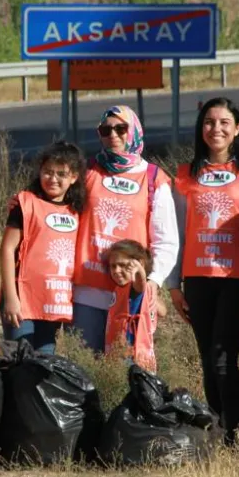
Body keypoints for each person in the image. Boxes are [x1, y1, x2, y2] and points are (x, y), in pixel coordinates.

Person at [166, 96, 239, 446]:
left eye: (224, 123)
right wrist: (174, 285)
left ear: (237, 129)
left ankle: (233, 436)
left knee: (222, 357)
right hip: (197, 280)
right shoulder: (186, 175)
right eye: (209, 122)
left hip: (238, 281)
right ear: (202, 129)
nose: (216, 129)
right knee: (207, 359)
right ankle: (216, 434)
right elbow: (178, 232)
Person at [72, 106, 178, 353]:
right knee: (87, 371)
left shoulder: (153, 179)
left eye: (121, 128)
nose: (113, 135)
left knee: (124, 372)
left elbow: (166, 240)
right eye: (105, 130)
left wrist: (152, 281)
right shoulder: (87, 171)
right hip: (88, 293)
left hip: (130, 295)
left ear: (135, 132)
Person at [0, 142, 86, 354]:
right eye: (47, 172)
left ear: (73, 177)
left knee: (44, 362)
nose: (53, 179)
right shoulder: (25, 203)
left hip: (54, 302)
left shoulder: (78, 211)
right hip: (22, 302)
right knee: (20, 362)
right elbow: (7, 250)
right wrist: (10, 298)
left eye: (61, 174)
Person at [104, 240, 158, 371]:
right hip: (117, 354)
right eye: (113, 266)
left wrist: (139, 270)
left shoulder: (134, 289)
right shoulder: (119, 289)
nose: (117, 270)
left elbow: (140, 282)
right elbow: (162, 310)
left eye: (123, 265)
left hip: (132, 358)